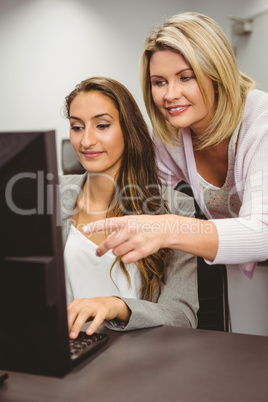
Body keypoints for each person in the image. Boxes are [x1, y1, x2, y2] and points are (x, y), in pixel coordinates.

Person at [83, 12, 268, 281]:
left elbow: (261, 233)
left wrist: (169, 228)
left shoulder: (260, 121)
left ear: (217, 75)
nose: (170, 95)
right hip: (245, 268)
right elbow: (144, 198)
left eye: (185, 77)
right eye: (159, 82)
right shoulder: (172, 136)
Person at [60, 76, 198, 338]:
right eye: (77, 127)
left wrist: (117, 306)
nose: (86, 141)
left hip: (139, 360)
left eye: (102, 125)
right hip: (68, 353)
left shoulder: (174, 207)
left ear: (128, 130)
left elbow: (183, 315)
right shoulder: (52, 197)